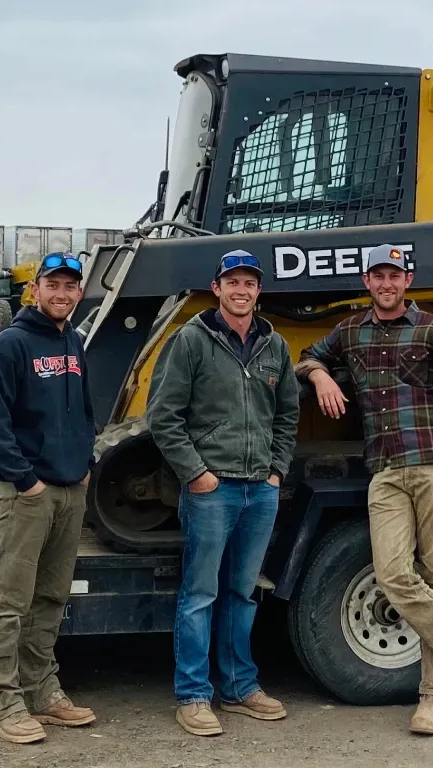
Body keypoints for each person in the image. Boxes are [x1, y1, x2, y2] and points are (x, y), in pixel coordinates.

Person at [293, 243, 433, 736]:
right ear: (366, 282)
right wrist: (324, 376)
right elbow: (308, 356)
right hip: (386, 470)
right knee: (392, 573)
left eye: (394, 275)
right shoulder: (351, 330)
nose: (386, 284)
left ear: (406, 281)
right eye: (378, 276)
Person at [146, 249, 300, 737]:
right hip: (213, 491)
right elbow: (163, 416)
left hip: (261, 490)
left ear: (259, 291)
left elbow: (287, 414)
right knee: (199, 593)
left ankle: (239, 687)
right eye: (232, 282)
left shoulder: (273, 346)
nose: (241, 290)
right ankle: (193, 695)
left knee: (242, 592)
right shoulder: (191, 341)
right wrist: (197, 474)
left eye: (249, 283)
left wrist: (276, 471)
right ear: (216, 288)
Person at [0, 252, 98, 745]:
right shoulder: (10, 345)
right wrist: (26, 481)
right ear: (35, 289)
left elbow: (87, 409)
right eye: (53, 284)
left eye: (71, 286)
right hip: (29, 494)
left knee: (50, 598)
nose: (62, 293)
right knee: (10, 599)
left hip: (70, 490)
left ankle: (42, 691)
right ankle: (4, 703)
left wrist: (86, 465)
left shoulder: (74, 342)